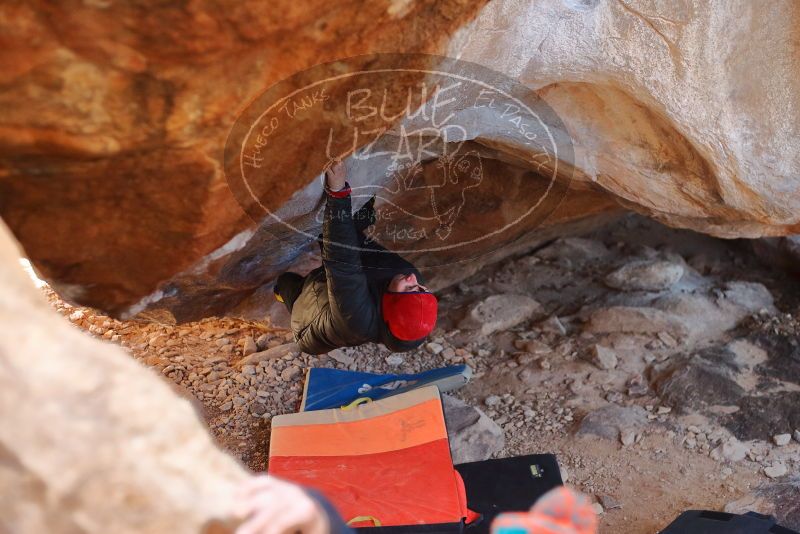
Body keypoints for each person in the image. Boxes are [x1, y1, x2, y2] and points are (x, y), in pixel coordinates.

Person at [273, 160, 438, 354]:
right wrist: (362, 201)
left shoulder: (357, 319)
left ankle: (281, 294)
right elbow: (358, 249)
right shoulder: (407, 275)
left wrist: (338, 194)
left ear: (390, 303)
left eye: (410, 288)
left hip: (309, 323)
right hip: (339, 287)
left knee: (287, 282)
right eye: (420, 288)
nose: (412, 279)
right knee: (347, 225)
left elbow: (341, 258)